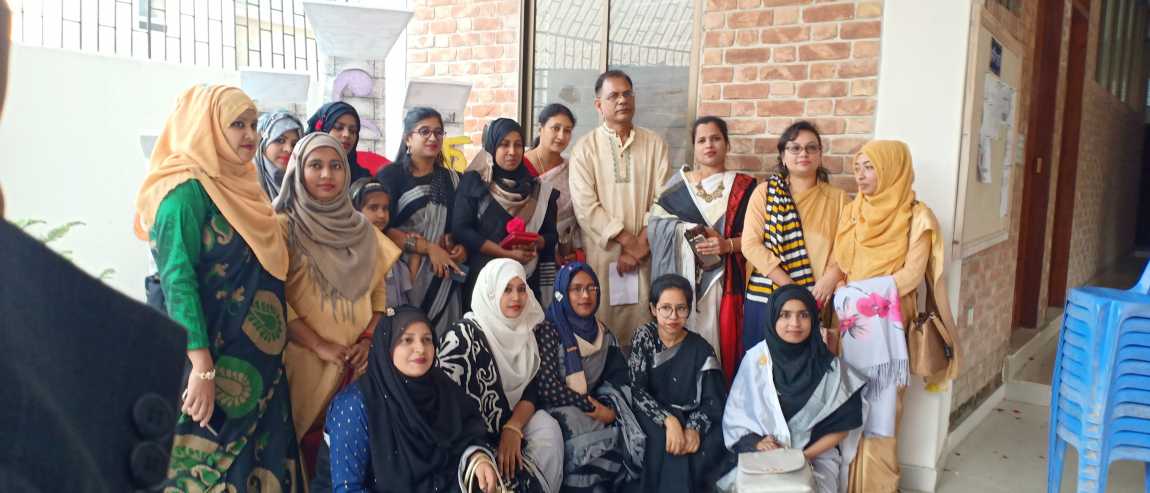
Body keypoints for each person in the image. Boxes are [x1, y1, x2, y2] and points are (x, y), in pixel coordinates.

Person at [134, 85, 301, 490]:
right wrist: (202, 368)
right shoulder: (183, 193)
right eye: (237, 125)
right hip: (209, 366)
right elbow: (177, 281)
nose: (250, 135)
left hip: (259, 369)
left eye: (254, 124)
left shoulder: (243, 186)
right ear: (204, 126)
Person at [273, 133, 402, 475]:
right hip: (304, 365)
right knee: (300, 458)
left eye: (335, 166)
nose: (327, 175)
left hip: (356, 365)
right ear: (298, 171)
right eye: (315, 165)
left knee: (349, 457)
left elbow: (378, 295)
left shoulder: (362, 230)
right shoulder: (282, 228)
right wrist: (320, 345)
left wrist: (368, 340)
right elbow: (275, 301)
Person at [833, 140, 947, 493]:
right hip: (850, 324)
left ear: (893, 169)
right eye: (858, 168)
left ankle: (877, 486)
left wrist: (858, 294)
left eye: (869, 167)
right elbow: (841, 262)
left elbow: (911, 276)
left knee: (884, 407)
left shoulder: (917, 217)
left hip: (890, 323)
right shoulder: (853, 211)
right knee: (847, 398)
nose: (860, 176)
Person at [321, 306, 501, 492]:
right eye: (407, 340)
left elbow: (467, 434)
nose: (420, 348)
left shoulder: (440, 387)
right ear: (387, 346)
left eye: (427, 339)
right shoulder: (355, 405)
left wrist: (477, 457)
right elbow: (348, 488)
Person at [437, 259, 566, 493]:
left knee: (548, 427)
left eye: (521, 289)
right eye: (506, 289)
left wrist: (513, 428)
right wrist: (479, 448)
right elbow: (446, 406)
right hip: (469, 438)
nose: (516, 298)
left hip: (512, 420)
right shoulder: (461, 337)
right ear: (490, 292)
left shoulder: (527, 330)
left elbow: (532, 389)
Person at [723, 284, 865, 493]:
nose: (795, 323)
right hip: (764, 457)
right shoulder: (756, 361)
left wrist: (800, 457)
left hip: (815, 459)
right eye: (785, 315)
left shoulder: (830, 368)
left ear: (813, 318)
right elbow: (736, 418)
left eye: (803, 315)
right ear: (773, 318)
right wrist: (756, 443)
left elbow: (842, 427)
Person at [647, 116, 756, 381]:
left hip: (724, 280)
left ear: (727, 144)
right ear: (694, 147)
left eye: (716, 138)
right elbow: (655, 228)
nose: (709, 145)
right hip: (683, 279)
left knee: (717, 336)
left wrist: (726, 245)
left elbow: (758, 236)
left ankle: (715, 390)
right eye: (702, 140)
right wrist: (687, 231)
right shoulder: (677, 186)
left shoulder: (744, 186)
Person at [569, 70, 672, 346]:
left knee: (645, 326)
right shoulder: (585, 149)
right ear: (598, 105)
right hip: (604, 257)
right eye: (613, 95)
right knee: (604, 329)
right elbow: (585, 206)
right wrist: (628, 242)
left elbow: (664, 199)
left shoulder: (655, 144)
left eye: (627, 94)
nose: (622, 100)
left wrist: (642, 244)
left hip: (646, 255)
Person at [742, 121, 847, 360]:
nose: (803, 153)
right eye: (795, 148)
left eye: (811, 148)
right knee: (763, 369)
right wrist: (790, 287)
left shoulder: (839, 200)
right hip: (768, 297)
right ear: (783, 155)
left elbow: (848, 247)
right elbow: (750, 244)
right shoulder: (765, 193)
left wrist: (831, 278)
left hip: (817, 298)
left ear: (820, 154)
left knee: (807, 369)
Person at [541, 262, 644, 491]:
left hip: (595, 407)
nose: (585, 296)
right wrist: (592, 407)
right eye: (576, 289)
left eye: (591, 288)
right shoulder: (549, 329)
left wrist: (612, 410)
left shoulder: (602, 333)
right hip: (556, 409)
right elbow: (548, 387)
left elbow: (619, 377)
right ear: (562, 293)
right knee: (578, 427)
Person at [627, 274, 734, 492]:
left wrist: (694, 428)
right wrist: (669, 421)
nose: (673, 316)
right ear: (653, 309)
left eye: (681, 308)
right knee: (663, 443)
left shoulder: (701, 348)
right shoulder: (644, 337)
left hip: (692, 414)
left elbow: (713, 401)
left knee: (706, 445)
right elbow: (638, 390)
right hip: (652, 414)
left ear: (689, 310)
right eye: (665, 308)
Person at [376, 107, 466, 336]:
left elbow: (461, 227)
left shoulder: (454, 180)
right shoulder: (391, 176)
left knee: (443, 339)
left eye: (438, 132)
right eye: (424, 131)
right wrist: (428, 248)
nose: (433, 138)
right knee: (404, 336)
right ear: (408, 138)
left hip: (442, 275)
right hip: (402, 274)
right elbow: (381, 230)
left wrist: (459, 248)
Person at [454, 117, 559, 307]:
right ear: (492, 147)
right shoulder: (475, 183)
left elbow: (551, 235)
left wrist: (535, 242)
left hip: (525, 281)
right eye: (504, 144)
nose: (512, 151)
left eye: (518, 145)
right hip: (484, 280)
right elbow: (461, 230)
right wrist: (504, 253)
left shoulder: (538, 190)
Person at [524, 103, 582, 264]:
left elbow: (579, 215)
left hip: (563, 253)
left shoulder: (573, 169)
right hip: (525, 250)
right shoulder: (519, 165)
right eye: (555, 128)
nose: (561, 136)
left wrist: (576, 250)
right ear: (540, 129)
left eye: (567, 131)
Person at [352, 177, 412, 306]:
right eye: (373, 208)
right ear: (355, 211)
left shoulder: (388, 248)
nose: (381, 215)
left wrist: (416, 254)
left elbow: (403, 293)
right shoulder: (348, 252)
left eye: (385, 208)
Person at [308, 101, 372, 185]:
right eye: (338, 127)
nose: (347, 135)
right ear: (322, 131)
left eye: (352, 131)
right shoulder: (300, 173)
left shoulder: (363, 180)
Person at [255, 110, 304, 200]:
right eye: (280, 140)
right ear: (263, 143)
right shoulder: (243, 183)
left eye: (294, 144)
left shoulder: (304, 185)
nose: (289, 149)